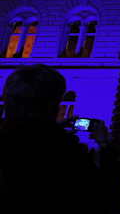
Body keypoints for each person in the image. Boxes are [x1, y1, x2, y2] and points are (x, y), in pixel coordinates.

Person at [0, 64, 101, 213]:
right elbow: (97, 196)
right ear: (52, 105)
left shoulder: (7, 138)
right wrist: (104, 146)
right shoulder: (64, 150)